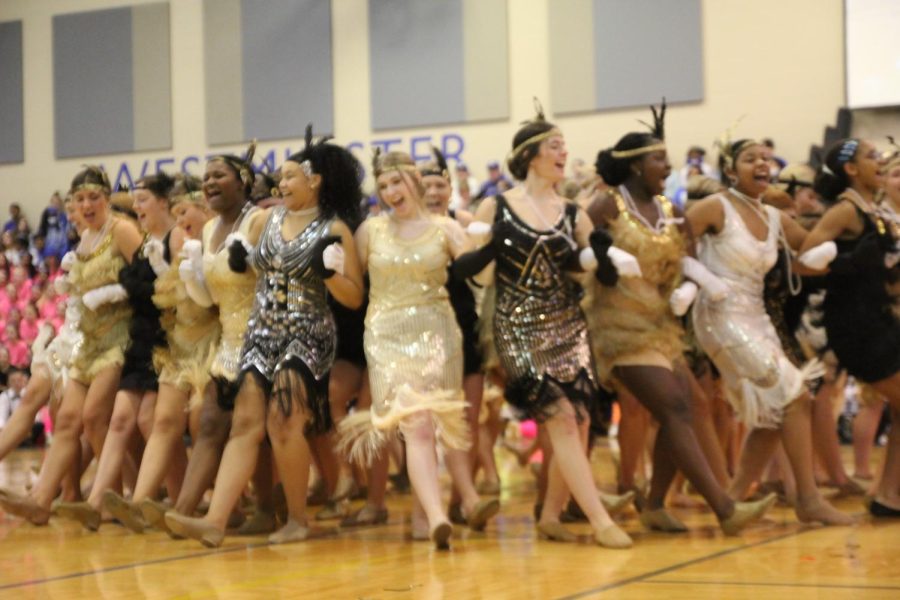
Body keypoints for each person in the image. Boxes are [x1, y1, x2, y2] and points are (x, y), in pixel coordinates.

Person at [166, 129, 365, 547]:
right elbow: (247, 269)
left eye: (290, 176)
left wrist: (330, 274)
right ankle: (216, 520)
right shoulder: (269, 219)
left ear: (315, 182)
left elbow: (354, 297)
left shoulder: (334, 229)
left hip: (307, 334)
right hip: (260, 330)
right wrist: (241, 259)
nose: (281, 183)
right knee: (245, 422)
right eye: (281, 177)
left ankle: (296, 519)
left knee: (285, 420)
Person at [587, 104, 773, 534]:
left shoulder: (668, 210)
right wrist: (604, 260)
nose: (667, 168)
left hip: (660, 325)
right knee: (673, 405)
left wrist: (691, 287)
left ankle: (654, 503)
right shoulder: (607, 204)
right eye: (658, 160)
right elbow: (579, 251)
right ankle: (726, 508)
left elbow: (687, 259)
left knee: (691, 404)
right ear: (635, 165)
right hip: (616, 327)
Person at [452, 104, 632, 548]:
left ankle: (551, 515)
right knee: (564, 418)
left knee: (582, 421)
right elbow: (466, 269)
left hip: (568, 323)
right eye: (555, 145)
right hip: (516, 325)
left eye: (564, 146)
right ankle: (600, 520)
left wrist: (606, 254)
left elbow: (599, 275)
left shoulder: (574, 212)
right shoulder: (496, 204)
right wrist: (487, 247)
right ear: (531, 154)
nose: (563, 152)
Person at [687, 138, 850, 526]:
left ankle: (730, 503)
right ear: (730, 170)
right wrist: (698, 278)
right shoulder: (715, 206)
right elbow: (673, 241)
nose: (761, 163)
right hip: (719, 314)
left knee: (773, 413)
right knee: (795, 396)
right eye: (750, 159)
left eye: (765, 158)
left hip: (758, 318)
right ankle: (807, 498)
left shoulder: (775, 217)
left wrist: (835, 238)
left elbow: (810, 249)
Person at [339, 149, 475, 550]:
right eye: (382, 186)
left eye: (395, 182)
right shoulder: (370, 231)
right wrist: (329, 271)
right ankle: (437, 518)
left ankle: (423, 515)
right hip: (385, 333)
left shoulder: (446, 229)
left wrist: (486, 239)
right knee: (415, 423)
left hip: (438, 333)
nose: (389, 191)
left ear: (414, 181)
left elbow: (478, 275)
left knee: (428, 427)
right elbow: (351, 288)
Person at [0, 166, 143, 524]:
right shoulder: (83, 242)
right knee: (66, 419)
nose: (87, 204)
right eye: (80, 198)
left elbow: (148, 281)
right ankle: (41, 500)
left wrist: (117, 293)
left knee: (95, 417)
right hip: (86, 342)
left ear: (107, 199)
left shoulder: (122, 230)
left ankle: (117, 497)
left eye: (94, 196)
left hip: (118, 338)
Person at [799, 138, 900, 516]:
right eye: (871, 156)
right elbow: (805, 262)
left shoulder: (873, 210)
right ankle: (885, 490)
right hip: (855, 325)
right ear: (852, 170)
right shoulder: (844, 211)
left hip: (880, 317)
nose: (881, 161)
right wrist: (847, 262)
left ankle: (889, 495)